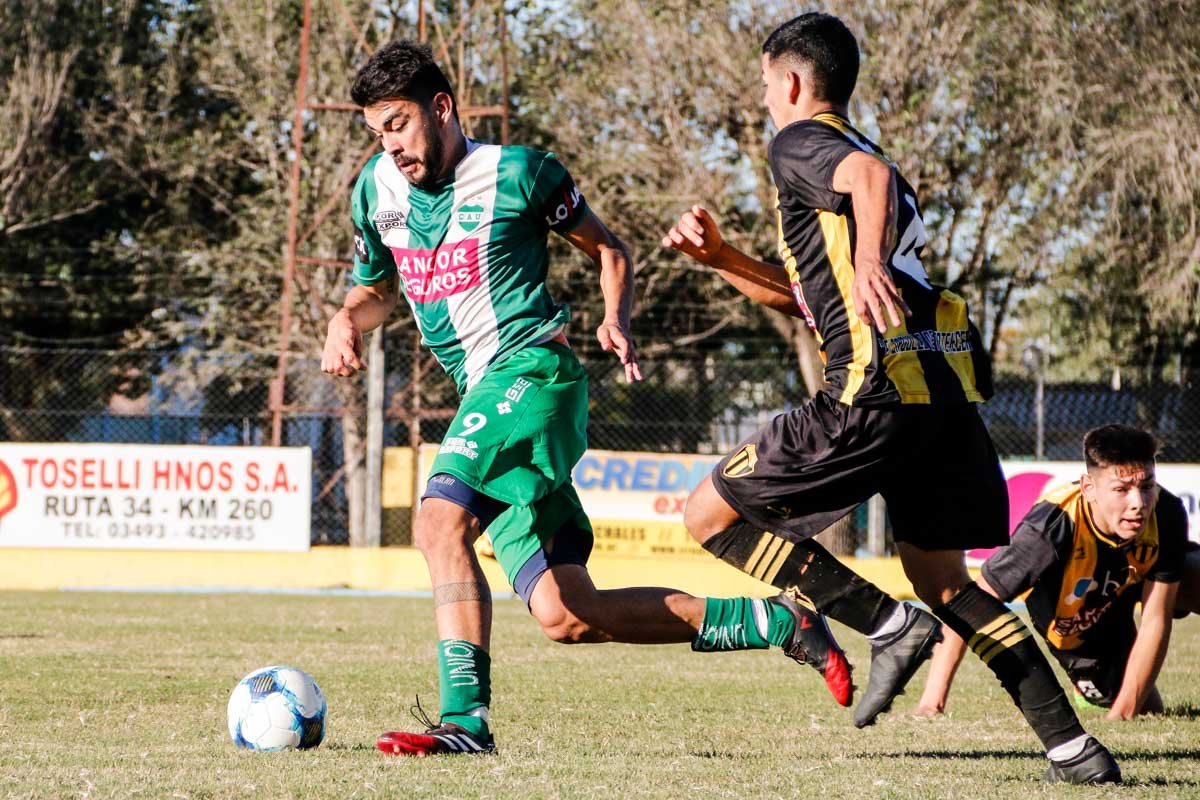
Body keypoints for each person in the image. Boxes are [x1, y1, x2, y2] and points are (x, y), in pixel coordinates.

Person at [322, 40, 852, 758]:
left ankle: (465, 723)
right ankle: (782, 623)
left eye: (397, 124)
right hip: (485, 394)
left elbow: (609, 249)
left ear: (440, 107)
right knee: (567, 613)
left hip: (533, 374)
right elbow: (376, 290)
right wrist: (344, 321)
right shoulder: (376, 191)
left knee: (438, 522)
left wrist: (614, 318)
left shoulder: (519, 173)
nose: (389, 145)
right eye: (376, 132)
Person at [663, 12, 1119, 784]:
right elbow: (809, 297)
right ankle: (1075, 750)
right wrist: (723, 258)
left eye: (765, 82)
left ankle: (885, 624)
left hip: (869, 391)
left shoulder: (800, 142)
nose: (764, 97)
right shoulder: (860, 155)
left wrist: (870, 261)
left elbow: (865, 198)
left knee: (708, 515)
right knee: (947, 585)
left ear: (792, 82)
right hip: (937, 396)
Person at [914, 424, 1196, 721]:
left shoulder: (1166, 511)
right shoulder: (1049, 528)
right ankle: (1085, 688)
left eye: (1147, 486)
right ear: (1088, 487)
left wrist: (1122, 716)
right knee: (1150, 708)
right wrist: (932, 702)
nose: (1138, 503)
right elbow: (970, 605)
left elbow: (1156, 618)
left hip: (1130, 583)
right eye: (1121, 490)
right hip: (1080, 629)